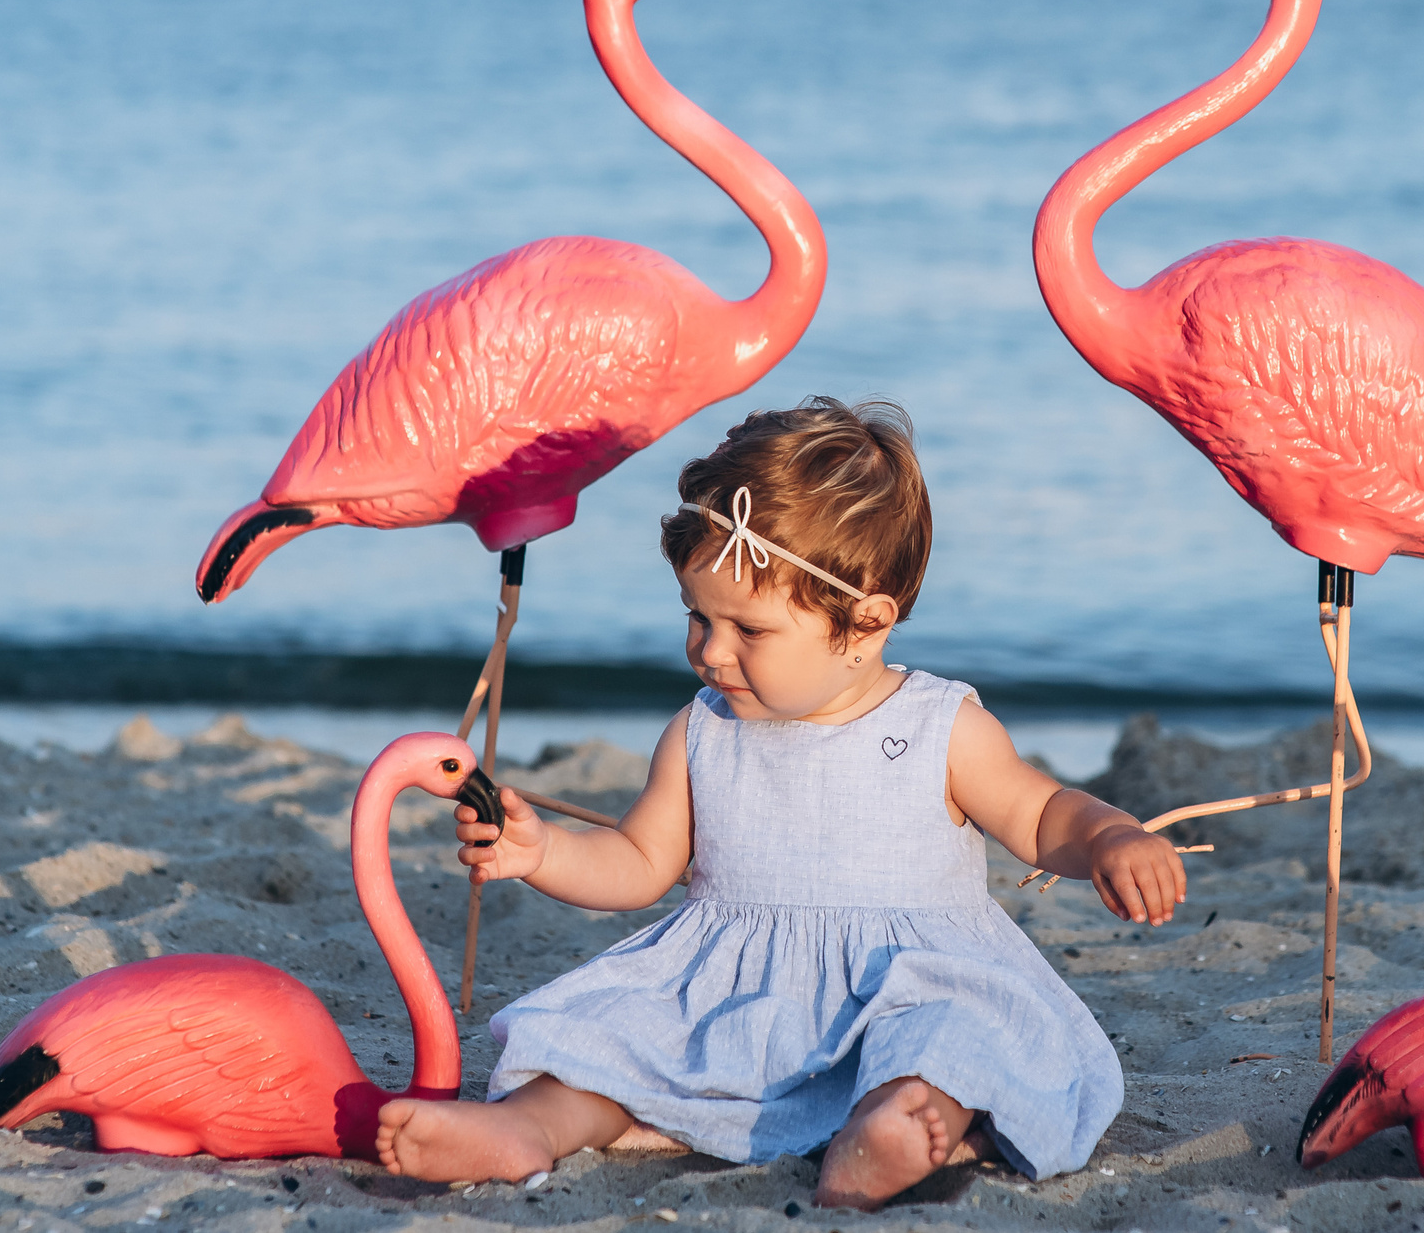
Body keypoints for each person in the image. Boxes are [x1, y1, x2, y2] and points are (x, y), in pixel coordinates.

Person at [375, 397, 1186, 1207]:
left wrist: (1111, 836)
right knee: (605, 1035)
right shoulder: (701, 734)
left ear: (864, 626)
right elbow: (638, 861)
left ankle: (899, 1127)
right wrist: (542, 851)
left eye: (749, 630)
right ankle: (531, 1127)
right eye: (697, 616)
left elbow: (1043, 816)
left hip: (903, 978)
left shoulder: (941, 727)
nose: (711, 650)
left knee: (951, 1036)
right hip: (731, 994)